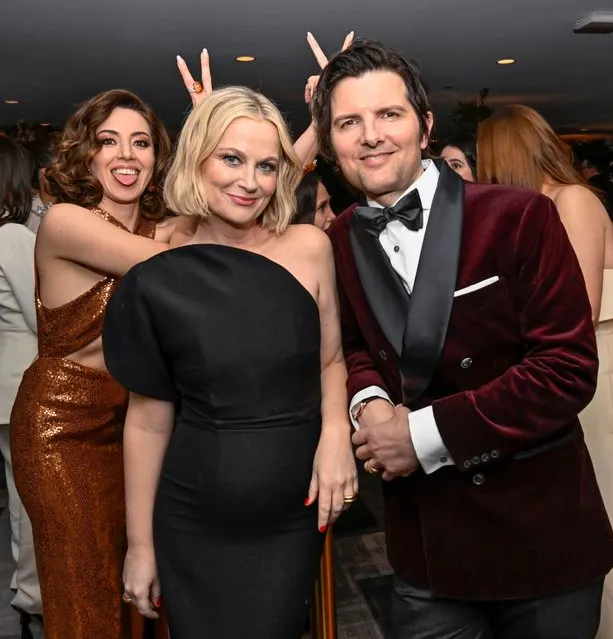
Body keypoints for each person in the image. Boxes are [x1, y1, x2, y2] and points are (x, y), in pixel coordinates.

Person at [311, 39, 613, 639]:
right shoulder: (338, 237)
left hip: (540, 537)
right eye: (349, 122)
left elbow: (566, 368)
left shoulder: (518, 215)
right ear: (331, 143)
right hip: (428, 548)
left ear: (424, 127)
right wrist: (369, 402)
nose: (370, 135)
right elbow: (353, 346)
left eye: (388, 115)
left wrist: (419, 436)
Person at [101, 86, 357, 639]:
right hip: (191, 518)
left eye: (267, 165)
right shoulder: (160, 275)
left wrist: (337, 431)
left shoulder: (309, 247)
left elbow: (332, 360)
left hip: (292, 514)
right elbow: (146, 421)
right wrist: (141, 547)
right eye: (232, 159)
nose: (250, 181)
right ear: (198, 159)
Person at [10, 89, 178, 639]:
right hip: (61, 431)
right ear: (86, 153)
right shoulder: (64, 222)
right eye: (109, 142)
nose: (126, 155)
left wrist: (311, 134)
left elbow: (245, 196)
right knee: (88, 597)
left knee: (143, 588)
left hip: (133, 428)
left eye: (141, 142)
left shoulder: (159, 228)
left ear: (156, 158)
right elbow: (189, 261)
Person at [477, 104, 613, 639]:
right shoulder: (535, 214)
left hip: (601, 387)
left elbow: (576, 312)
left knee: (612, 522)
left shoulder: (574, 200)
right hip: (568, 388)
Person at [0, 135, 42, 639]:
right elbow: (43, 315)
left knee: (19, 500)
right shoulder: (13, 236)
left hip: (7, 387)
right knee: (33, 503)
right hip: (25, 386)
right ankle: (33, 595)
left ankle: (25, 592)